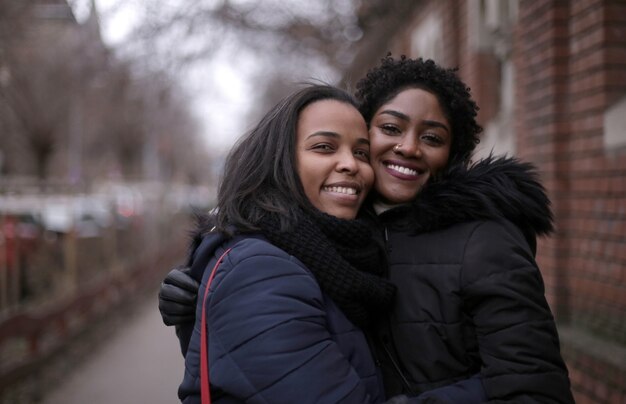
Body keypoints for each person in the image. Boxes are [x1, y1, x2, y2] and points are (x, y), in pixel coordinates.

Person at [161, 56, 574, 403]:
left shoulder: (484, 241)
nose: (409, 147)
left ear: (453, 154)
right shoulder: (327, 241)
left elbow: (535, 387)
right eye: (391, 128)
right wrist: (197, 309)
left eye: (432, 138)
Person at [169, 84, 479, 404]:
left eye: (361, 152)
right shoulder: (259, 271)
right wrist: (493, 388)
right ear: (280, 161)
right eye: (324, 147)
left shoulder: (334, 259)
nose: (351, 164)